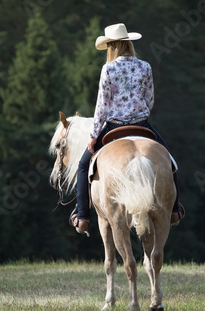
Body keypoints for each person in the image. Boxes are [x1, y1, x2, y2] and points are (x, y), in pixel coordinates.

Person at [70, 23, 185, 233]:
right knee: (169, 160)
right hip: (142, 124)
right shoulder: (145, 66)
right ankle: (174, 210)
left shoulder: (108, 69)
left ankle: (82, 216)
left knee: (83, 165)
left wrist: (94, 136)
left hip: (113, 125)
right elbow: (149, 100)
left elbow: (101, 107)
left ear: (112, 47)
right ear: (128, 43)